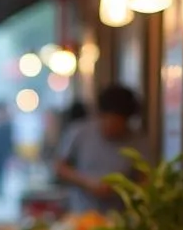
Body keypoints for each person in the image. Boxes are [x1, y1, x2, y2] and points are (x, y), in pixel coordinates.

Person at [55, 83, 144, 213]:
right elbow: (60, 168)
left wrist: (122, 188)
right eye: (110, 121)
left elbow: (144, 179)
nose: (113, 128)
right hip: (80, 214)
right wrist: (88, 183)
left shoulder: (138, 141)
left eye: (120, 124)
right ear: (100, 115)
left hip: (120, 218)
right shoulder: (80, 132)